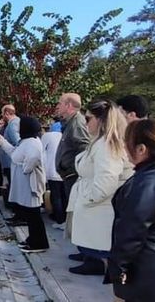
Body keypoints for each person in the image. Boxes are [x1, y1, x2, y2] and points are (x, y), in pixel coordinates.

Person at [66, 100, 132, 275]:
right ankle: (94, 260)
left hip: (99, 207)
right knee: (93, 243)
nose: (85, 122)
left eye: (88, 119)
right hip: (94, 203)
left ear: (101, 120)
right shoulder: (99, 142)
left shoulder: (105, 146)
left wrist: (88, 198)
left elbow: (106, 181)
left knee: (101, 245)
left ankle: (100, 265)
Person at [109, 119, 155, 302]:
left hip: (145, 266)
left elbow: (132, 229)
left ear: (141, 149)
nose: (124, 148)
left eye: (126, 143)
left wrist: (118, 267)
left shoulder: (146, 182)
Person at [0, 116, 49, 253]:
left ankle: (39, 243)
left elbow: (33, 158)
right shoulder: (25, 141)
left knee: (34, 215)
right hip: (25, 183)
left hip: (31, 184)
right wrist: (2, 142)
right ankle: (33, 239)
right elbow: (14, 153)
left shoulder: (32, 142)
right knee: (30, 214)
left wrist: (26, 168)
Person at [54, 93, 90, 222]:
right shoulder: (70, 122)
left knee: (78, 217)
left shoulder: (77, 123)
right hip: (69, 177)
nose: (57, 106)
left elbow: (85, 148)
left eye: (60, 103)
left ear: (68, 105)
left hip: (74, 177)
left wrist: (74, 167)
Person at [0, 104, 22, 222]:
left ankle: (18, 214)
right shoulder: (13, 124)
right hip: (10, 161)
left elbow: (18, 142)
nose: (2, 116)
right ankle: (17, 214)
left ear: (7, 113)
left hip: (11, 161)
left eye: (3, 113)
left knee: (14, 188)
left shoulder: (13, 125)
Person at [41, 120, 64, 228]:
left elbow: (41, 151)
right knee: (64, 195)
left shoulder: (48, 136)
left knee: (56, 196)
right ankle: (64, 219)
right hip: (64, 170)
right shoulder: (64, 135)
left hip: (52, 169)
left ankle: (58, 218)